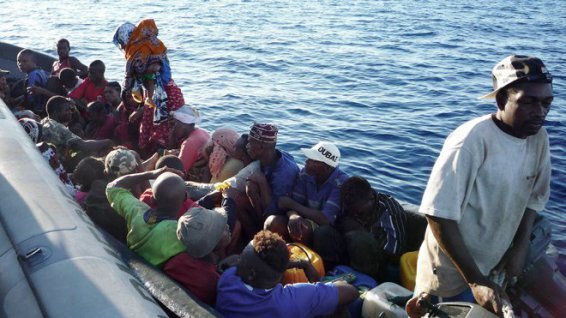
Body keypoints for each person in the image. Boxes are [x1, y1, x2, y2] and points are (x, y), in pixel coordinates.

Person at [410, 55, 553, 316]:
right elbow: (438, 214)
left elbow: (534, 198)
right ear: (501, 100)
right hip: (450, 277)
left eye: (546, 103)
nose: (540, 112)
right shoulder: (470, 141)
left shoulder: (538, 138)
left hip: (492, 268)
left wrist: (519, 249)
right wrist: (475, 280)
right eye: (529, 102)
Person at [215, 230, 359, 317]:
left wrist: (298, 263)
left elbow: (236, 262)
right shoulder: (292, 300)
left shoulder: (228, 280)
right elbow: (351, 292)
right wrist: (323, 285)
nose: (237, 260)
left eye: (241, 257)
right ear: (252, 274)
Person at [113, 19, 185, 154]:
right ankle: (152, 160)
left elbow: (156, 67)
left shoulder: (147, 49)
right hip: (152, 96)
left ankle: (166, 161)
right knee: (149, 131)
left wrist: (144, 71)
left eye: (122, 43)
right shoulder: (138, 53)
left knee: (166, 131)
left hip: (166, 95)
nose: (123, 47)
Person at [106, 166, 188, 267]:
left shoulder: (136, 212)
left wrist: (151, 174)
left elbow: (112, 187)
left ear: (152, 199)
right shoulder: (181, 235)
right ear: (185, 198)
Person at [230, 123, 299, 240]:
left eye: (250, 142)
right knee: (237, 199)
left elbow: (277, 209)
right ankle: (252, 237)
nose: (246, 145)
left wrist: (262, 182)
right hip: (265, 207)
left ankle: (262, 240)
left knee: (252, 187)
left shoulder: (284, 173)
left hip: (283, 214)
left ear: (261, 148)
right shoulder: (268, 158)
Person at [274, 141, 349, 245]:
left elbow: (325, 219)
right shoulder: (305, 174)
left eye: (313, 160)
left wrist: (291, 205)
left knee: (301, 229)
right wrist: (293, 215)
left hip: (330, 230)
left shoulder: (341, 183)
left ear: (326, 167)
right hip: (307, 217)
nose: (306, 161)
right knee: (273, 222)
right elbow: (291, 204)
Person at [163, 207, 231, 306]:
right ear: (211, 245)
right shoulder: (215, 281)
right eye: (222, 229)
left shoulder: (175, 261)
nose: (228, 226)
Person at [40, 96, 113, 170]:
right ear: (56, 112)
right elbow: (83, 145)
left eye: (71, 110)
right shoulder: (57, 127)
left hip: (47, 160)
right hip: (53, 166)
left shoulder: (45, 121)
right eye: (67, 110)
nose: (70, 112)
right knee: (88, 155)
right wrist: (107, 142)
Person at [167, 106, 210, 174]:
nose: (172, 128)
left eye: (173, 124)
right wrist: (173, 136)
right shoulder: (202, 132)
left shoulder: (189, 143)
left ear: (183, 124)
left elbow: (178, 172)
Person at [16, 49, 49, 114]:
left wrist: (22, 107)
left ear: (34, 62)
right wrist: (16, 99)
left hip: (36, 111)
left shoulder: (32, 76)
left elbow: (30, 100)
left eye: (24, 61)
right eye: (18, 61)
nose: (20, 64)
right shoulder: (40, 71)